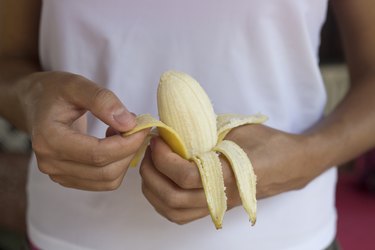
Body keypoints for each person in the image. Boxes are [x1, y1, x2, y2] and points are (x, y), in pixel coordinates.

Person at [1, 0, 374, 249]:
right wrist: (30, 98)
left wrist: (308, 158)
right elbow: (7, 60)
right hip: (76, 235)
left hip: (287, 236)